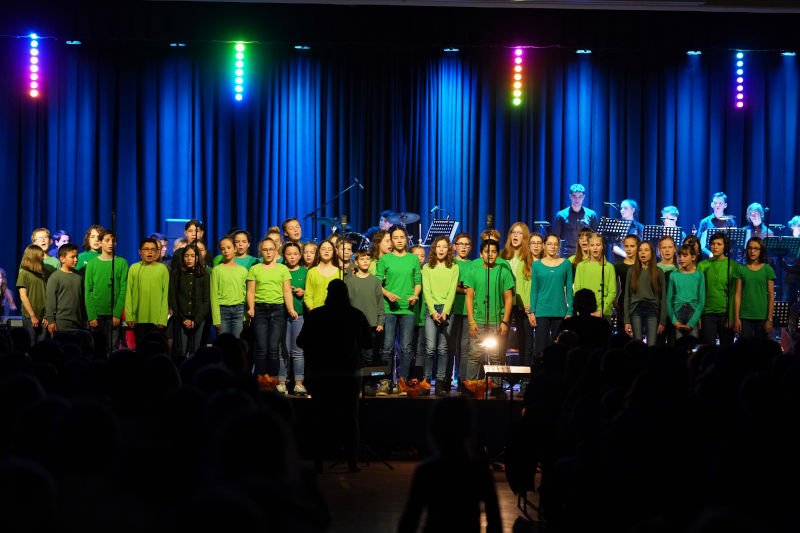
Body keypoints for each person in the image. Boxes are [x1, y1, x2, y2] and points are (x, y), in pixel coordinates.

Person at [297, 279, 372, 473]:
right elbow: (367, 343)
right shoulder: (356, 315)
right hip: (349, 373)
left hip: (322, 372)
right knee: (350, 418)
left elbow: (301, 341)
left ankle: (318, 462)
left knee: (320, 418)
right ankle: (352, 462)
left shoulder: (316, 315)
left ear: (328, 293)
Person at [398, 397, 502, 533]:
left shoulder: (426, 472)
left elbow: (410, 520)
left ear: (434, 430)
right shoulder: (479, 470)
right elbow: (494, 521)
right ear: (469, 429)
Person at [375, 226, 421, 395]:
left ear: (406, 239)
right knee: (387, 347)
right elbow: (377, 282)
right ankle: (386, 382)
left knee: (406, 347)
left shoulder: (412, 259)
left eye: (402, 237)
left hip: (408, 309)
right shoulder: (385, 260)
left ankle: (402, 381)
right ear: (391, 240)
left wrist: (415, 295)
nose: (400, 240)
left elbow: (417, 281)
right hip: (389, 308)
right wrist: (387, 294)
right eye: (396, 237)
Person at [246, 238, 298, 386]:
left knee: (274, 347)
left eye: (271, 249)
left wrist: (291, 309)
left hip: (277, 310)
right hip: (260, 310)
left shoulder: (282, 269)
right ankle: (261, 378)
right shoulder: (255, 269)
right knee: (261, 347)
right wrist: (251, 307)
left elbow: (287, 291)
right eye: (265, 250)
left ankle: (273, 379)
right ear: (261, 251)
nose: (268, 253)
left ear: (276, 251)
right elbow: (251, 292)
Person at [464, 239, 514, 393]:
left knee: (496, 355)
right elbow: (469, 297)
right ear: (481, 254)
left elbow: (508, 298)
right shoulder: (474, 271)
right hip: (478, 320)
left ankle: (497, 386)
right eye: (487, 251)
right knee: (474, 354)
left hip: (496, 321)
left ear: (497, 254)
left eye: (493, 251)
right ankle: (470, 386)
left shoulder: (503, 272)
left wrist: (505, 321)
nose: (490, 254)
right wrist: (471, 321)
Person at [422, 236, 459, 395]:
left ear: (449, 249)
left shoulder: (454, 267)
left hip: (446, 310)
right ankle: (425, 382)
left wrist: (445, 311)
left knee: (443, 348)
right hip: (431, 310)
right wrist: (433, 311)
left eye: (445, 247)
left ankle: (440, 383)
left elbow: (452, 291)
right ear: (434, 249)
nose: (442, 249)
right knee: (430, 348)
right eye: (439, 246)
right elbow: (426, 291)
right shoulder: (427, 267)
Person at [529, 234, 573, 360]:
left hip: (559, 311)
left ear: (559, 246)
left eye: (555, 244)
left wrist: (569, 310)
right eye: (549, 243)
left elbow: (569, 288)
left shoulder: (566, 263)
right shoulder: (537, 265)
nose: (553, 246)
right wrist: (532, 311)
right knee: (540, 348)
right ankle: (538, 376)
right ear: (544, 245)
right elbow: (534, 290)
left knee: (558, 348)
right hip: (542, 311)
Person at [84, 230, 128, 353]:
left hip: (113, 315)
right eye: (107, 240)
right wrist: (92, 315)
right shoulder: (92, 264)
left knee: (113, 348)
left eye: (113, 240)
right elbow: (88, 291)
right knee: (97, 349)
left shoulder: (122, 263)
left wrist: (117, 313)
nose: (110, 243)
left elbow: (123, 289)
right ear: (100, 242)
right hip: (97, 314)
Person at [125, 238, 170, 346]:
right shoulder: (134, 268)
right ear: (140, 251)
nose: (149, 252)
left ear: (157, 252)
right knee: (140, 348)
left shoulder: (162, 269)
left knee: (155, 348)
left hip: (156, 319)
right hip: (138, 318)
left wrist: (163, 318)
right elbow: (129, 294)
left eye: (152, 249)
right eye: (146, 249)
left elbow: (166, 296)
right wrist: (129, 316)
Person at [698, 232, 739, 347]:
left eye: (719, 244)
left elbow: (733, 293)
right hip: (707, 313)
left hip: (725, 313)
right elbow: (699, 292)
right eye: (712, 243)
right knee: (708, 349)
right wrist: (699, 316)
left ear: (725, 246)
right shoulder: (703, 265)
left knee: (726, 351)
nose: (715, 246)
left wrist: (731, 318)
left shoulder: (733, 265)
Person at [169, 243, 210, 357]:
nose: (189, 258)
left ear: (198, 257)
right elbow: (173, 298)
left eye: (192, 256)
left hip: (198, 319)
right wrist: (183, 318)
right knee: (181, 351)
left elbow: (206, 301)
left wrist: (196, 320)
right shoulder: (177, 274)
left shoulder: (204, 275)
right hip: (182, 319)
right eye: (186, 256)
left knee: (196, 350)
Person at [346, 249, 385, 368]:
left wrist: (380, 321)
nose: (365, 261)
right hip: (354, 325)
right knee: (355, 353)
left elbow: (379, 303)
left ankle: (368, 382)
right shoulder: (350, 281)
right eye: (362, 259)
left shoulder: (375, 281)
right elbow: (347, 303)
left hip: (371, 324)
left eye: (367, 259)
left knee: (369, 354)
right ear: (356, 262)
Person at [623, 241, 666, 346]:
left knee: (652, 344)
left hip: (652, 309)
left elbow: (663, 298)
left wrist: (662, 321)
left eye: (646, 250)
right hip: (636, 309)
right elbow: (627, 296)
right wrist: (626, 320)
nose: (643, 253)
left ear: (651, 253)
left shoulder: (658, 272)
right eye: (640, 250)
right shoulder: (632, 271)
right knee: (637, 344)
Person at [735, 237, 775, 340]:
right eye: (750, 248)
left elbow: (771, 296)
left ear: (761, 251)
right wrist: (736, 318)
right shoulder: (741, 269)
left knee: (760, 349)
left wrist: (769, 319)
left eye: (756, 248)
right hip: (745, 316)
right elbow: (738, 294)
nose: (752, 251)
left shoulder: (767, 269)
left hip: (762, 316)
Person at [283, 242, 309, 396]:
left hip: (299, 315)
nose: (292, 257)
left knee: (298, 350)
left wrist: (303, 291)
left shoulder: (306, 272)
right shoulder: (281, 270)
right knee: (283, 350)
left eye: (295, 254)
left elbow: (312, 291)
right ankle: (282, 381)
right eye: (288, 254)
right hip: (282, 314)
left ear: (300, 256)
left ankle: (299, 383)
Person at [449, 233, 473, 394]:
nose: (463, 247)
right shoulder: (451, 264)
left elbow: (473, 287)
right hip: (451, 309)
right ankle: (445, 379)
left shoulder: (474, 265)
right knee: (449, 347)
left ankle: (463, 380)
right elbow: (450, 286)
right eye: (460, 244)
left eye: (466, 244)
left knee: (465, 347)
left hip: (468, 311)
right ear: (454, 246)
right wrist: (464, 289)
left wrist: (463, 289)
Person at [210, 236, 248, 337]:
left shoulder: (243, 270)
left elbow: (245, 292)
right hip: (223, 311)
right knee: (223, 342)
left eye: (229, 248)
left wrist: (245, 316)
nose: (226, 251)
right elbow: (213, 295)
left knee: (237, 342)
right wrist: (216, 318)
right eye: (223, 249)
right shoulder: (217, 270)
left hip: (239, 310)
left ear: (235, 249)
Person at [45, 243, 86, 335]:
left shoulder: (79, 276)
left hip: (78, 323)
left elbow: (82, 300)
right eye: (72, 257)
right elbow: (50, 301)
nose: (76, 260)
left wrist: (85, 318)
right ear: (62, 259)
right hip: (62, 323)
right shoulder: (55, 277)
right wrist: (51, 321)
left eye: (77, 257)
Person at [574, 233, 616, 318]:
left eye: (598, 245)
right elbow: (577, 290)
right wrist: (584, 309)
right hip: (584, 313)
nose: (595, 248)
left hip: (603, 314)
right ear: (588, 247)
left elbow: (612, 292)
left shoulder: (609, 267)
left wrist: (601, 310)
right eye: (592, 245)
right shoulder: (581, 266)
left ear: (602, 246)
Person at [667, 244, 705, 339]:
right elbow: (668, 300)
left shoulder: (699, 275)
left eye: (685, 256)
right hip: (678, 312)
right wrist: (674, 320)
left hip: (693, 312)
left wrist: (692, 322)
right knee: (679, 345)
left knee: (693, 343)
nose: (681, 259)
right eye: (679, 256)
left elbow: (702, 301)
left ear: (693, 257)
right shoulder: (674, 275)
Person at [551, 183, 599, 257]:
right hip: (567, 254)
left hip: (586, 253)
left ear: (584, 197)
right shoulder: (561, 215)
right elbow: (555, 237)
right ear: (570, 196)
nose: (577, 199)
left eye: (580, 197)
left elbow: (595, 236)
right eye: (574, 196)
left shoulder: (591, 214)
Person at [16, 246, 48, 344]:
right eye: (41, 255)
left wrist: (47, 315)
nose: (43, 258)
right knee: (31, 343)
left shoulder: (43, 273)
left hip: (43, 316)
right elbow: (23, 296)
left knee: (42, 345)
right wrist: (32, 316)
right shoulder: (24, 273)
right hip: (30, 316)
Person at [304, 240, 343, 311]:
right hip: (317, 314)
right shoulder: (312, 272)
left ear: (334, 252)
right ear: (318, 252)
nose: (326, 251)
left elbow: (342, 296)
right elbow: (308, 296)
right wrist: (312, 311)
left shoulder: (340, 272)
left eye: (330, 249)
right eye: (323, 249)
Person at [697, 192, 736, 258]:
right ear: (712, 204)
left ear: (725, 205)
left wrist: (725, 255)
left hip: (725, 259)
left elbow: (734, 244)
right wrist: (710, 254)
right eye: (715, 203)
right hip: (708, 259)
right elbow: (699, 243)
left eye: (720, 203)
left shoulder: (731, 222)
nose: (717, 205)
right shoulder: (705, 222)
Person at [613, 234, 639, 332]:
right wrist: (614, 301)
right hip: (623, 302)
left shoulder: (643, 265)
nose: (629, 249)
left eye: (632, 246)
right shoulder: (618, 266)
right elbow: (612, 285)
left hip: (639, 303)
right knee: (622, 333)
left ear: (638, 246)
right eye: (626, 246)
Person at [782, 216, 800, 302]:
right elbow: (783, 261)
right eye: (798, 225)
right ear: (792, 226)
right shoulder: (787, 242)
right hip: (790, 278)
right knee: (786, 301)